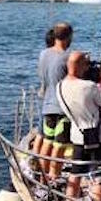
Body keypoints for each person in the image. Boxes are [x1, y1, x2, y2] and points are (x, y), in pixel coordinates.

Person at [57, 51, 101, 201]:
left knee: (75, 175)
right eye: (86, 64)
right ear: (80, 66)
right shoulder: (89, 87)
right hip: (98, 136)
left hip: (78, 136)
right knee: (99, 176)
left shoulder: (59, 87)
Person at [33, 23, 73, 174]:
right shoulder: (66, 57)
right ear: (69, 37)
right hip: (62, 108)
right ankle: (54, 178)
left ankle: (43, 178)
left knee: (46, 143)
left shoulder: (43, 54)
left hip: (47, 105)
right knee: (59, 147)